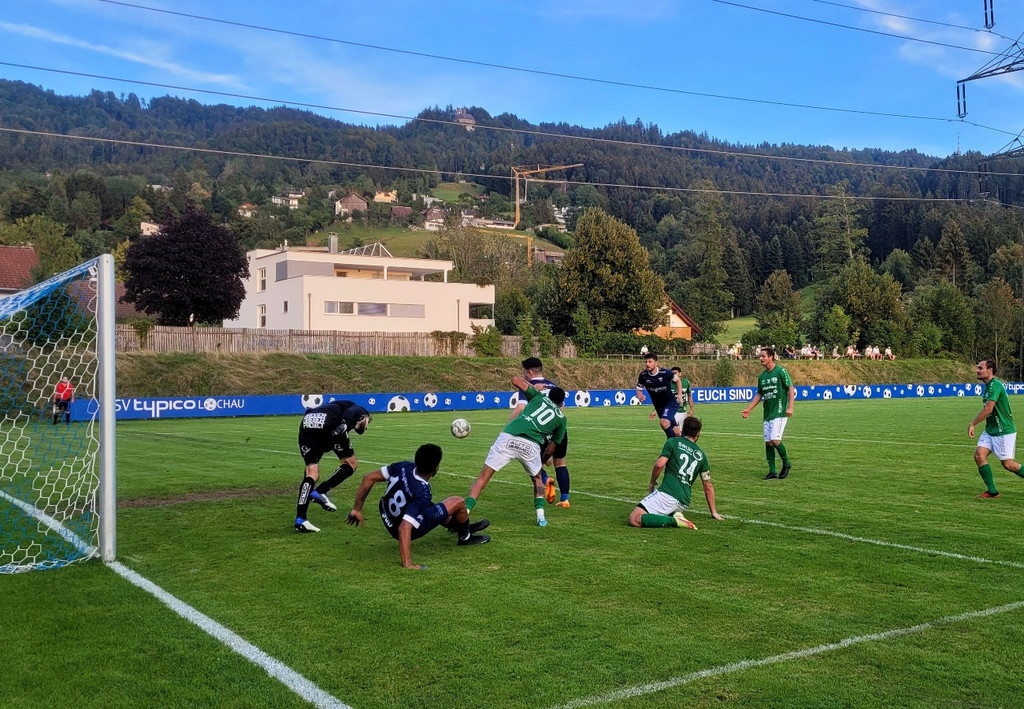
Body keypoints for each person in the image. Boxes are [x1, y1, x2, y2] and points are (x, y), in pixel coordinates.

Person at [347, 443, 490, 569]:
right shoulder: (422, 491)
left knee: (431, 507)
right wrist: (407, 564)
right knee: (458, 501)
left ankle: (458, 525)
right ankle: (465, 536)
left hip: (385, 511)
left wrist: (357, 509)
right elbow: (404, 527)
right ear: (435, 469)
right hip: (399, 528)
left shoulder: (404, 466)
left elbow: (368, 478)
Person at [465, 375, 567, 527]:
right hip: (531, 444)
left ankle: (465, 511)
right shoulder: (562, 419)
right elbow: (551, 448)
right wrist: (545, 459)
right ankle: (541, 518)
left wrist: (534, 387)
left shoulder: (538, 396)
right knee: (537, 479)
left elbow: (515, 379)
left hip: (509, 436)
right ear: (562, 403)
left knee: (482, 478)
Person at [628, 416, 724, 529]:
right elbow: (708, 485)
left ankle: (675, 520)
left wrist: (652, 482)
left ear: (682, 430)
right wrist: (713, 512)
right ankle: (675, 514)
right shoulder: (702, 455)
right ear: (698, 434)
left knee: (635, 518)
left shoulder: (673, 442)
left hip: (668, 495)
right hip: (683, 502)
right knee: (656, 514)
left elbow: (659, 464)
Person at [293, 399, 371, 532]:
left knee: (311, 473)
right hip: (330, 424)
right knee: (351, 464)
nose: (367, 426)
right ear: (365, 417)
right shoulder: (359, 411)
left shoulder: (332, 406)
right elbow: (355, 411)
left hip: (307, 423)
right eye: (368, 422)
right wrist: (345, 424)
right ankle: (320, 491)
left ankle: (301, 519)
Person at [513, 357, 572, 508]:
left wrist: (509, 427)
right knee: (560, 464)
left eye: (525, 372)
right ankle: (564, 499)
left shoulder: (529, 385)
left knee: (531, 462)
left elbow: (520, 408)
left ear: (529, 372)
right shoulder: (553, 385)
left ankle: (546, 481)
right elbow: (562, 409)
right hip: (559, 430)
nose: (525, 375)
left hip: (540, 432)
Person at [969, 360, 1024, 499]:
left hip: (1003, 430)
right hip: (991, 430)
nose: (977, 371)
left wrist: (973, 424)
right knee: (979, 455)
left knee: (1008, 465)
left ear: (990, 370)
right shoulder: (988, 386)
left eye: (980, 368)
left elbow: (988, 409)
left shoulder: (996, 385)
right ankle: (992, 492)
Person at [741, 346, 796, 480]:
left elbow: (790, 388)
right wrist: (749, 409)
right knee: (768, 442)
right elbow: (759, 394)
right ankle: (772, 471)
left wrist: (790, 407)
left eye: (763, 356)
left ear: (771, 357)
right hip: (767, 413)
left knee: (775, 440)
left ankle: (787, 464)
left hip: (779, 411)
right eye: (760, 356)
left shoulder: (781, 371)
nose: (760, 359)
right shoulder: (762, 376)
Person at [636, 353, 684, 439]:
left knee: (663, 422)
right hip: (659, 407)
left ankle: (673, 445)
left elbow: (678, 380)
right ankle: (686, 442)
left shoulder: (665, 373)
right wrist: (639, 394)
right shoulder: (643, 376)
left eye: (650, 362)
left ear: (656, 363)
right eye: (646, 362)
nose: (647, 364)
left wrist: (679, 394)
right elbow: (639, 387)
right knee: (677, 433)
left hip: (671, 402)